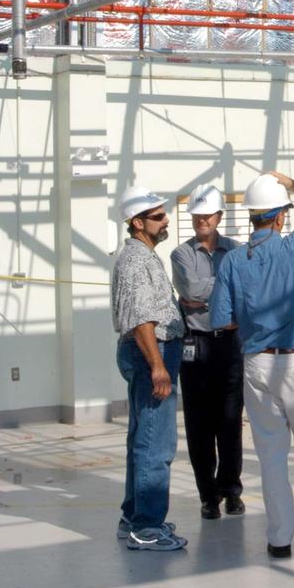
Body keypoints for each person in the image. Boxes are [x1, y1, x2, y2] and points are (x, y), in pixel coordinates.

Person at [211, 170, 294, 559]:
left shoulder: (233, 261)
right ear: (281, 216)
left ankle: (280, 538)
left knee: (271, 457)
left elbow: (222, 319)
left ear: (251, 216)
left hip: (258, 365)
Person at [111, 184, 187, 551]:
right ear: (137, 222)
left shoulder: (141, 255)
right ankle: (147, 527)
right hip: (151, 353)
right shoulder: (136, 260)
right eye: (157, 216)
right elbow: (142, 319)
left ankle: (134, 515)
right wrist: (158, 367)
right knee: (156, 443)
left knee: (142, 438)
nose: (165, 219)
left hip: (149, 352)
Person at [170, 183, 245, 521]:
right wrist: (227, 290)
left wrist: (206, 298)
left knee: (230, 422)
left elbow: (242, 289)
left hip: (230, 343)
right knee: (200, 426)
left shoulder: (237, 251)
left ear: (218, 216)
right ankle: (208, 497)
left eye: (207, 214)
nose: (201, 219)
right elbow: (190, 288)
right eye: (197, 215)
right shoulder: (181, 254)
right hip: (196, 346)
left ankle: (231, 491)